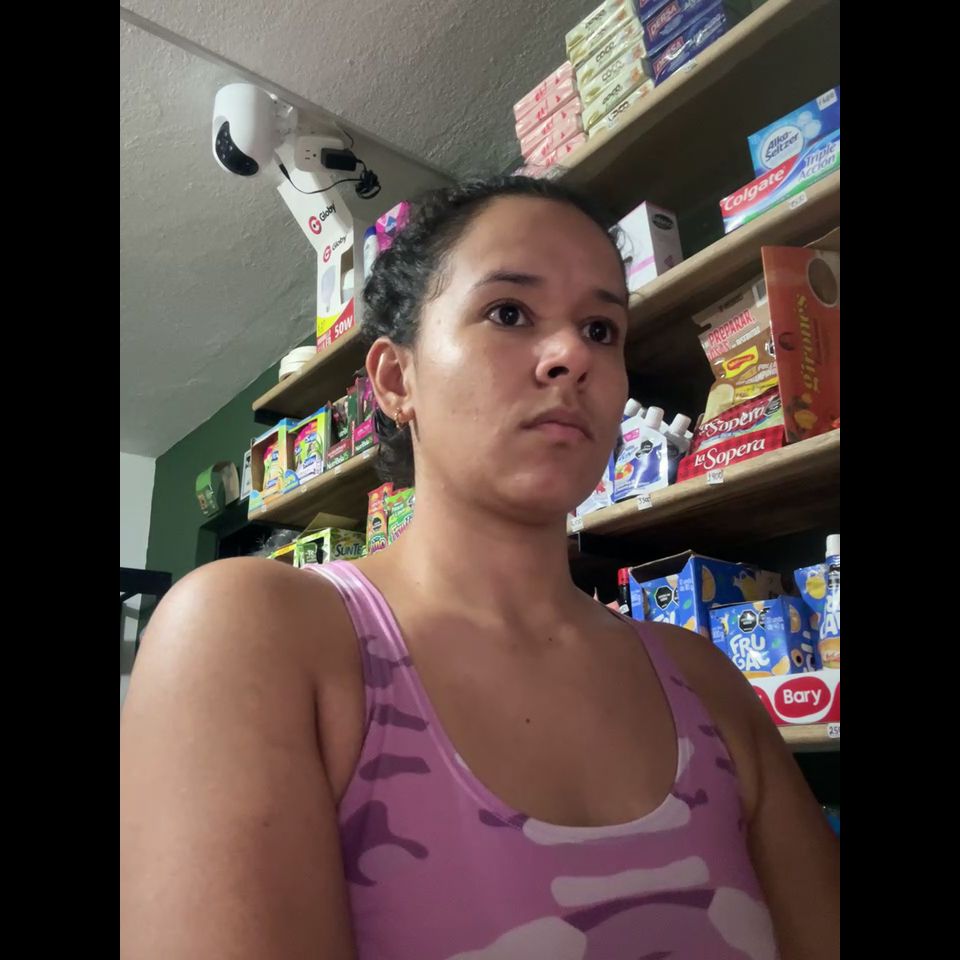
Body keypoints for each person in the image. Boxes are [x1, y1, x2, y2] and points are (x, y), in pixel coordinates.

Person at [120, 176, 840, 960]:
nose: (573, 354)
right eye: (509, 313)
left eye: (601, 328)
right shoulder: (252, 633)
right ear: (395, 380)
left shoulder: (705, 683)